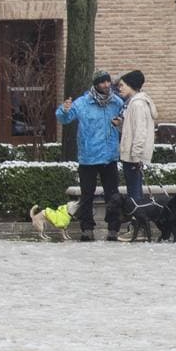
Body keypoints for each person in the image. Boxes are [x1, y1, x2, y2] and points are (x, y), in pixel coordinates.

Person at [55, 69, 125, 241]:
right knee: (87, 195)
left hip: (109, 157)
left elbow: (125, 120)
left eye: (108, 81)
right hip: (88, 157)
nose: (106, 85)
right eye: (102, 82)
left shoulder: (116, 102)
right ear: (95, 84)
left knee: (113, 195)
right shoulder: (82, 103)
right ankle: (87, 228)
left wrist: (121, 124)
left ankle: (113, 228)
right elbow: (65, 118)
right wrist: (64, 110)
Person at [115, 70, 156, 202]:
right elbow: (131, 130)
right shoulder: (132, 103)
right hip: (131, 155)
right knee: (133, 189)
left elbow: (140, 132)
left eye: (122, 85)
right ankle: (138, 219)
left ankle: (138, 219)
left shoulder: (137, 104)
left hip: (133, 157)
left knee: (134, 192)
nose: (119, 88)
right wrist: (120, 124)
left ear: (130, 85)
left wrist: (136, 155)